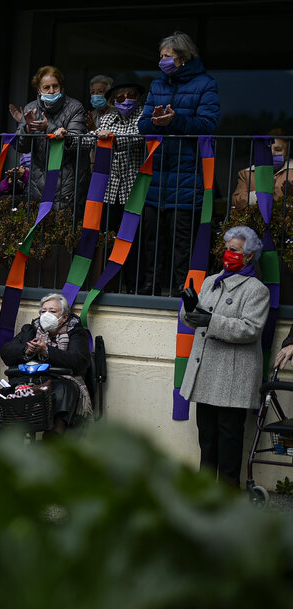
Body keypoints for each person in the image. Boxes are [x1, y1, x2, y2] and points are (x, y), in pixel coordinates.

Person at [180, 226, 269, 486]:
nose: (228, 254)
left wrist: (211, 320)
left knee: (229, 441)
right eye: (227, 248)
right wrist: (189, 307)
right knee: (206, 439)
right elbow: (195, 319)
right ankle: (205, 494)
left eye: (235, 250)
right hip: (206, 372)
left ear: (249, 255)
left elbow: (250, 329)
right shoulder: (211, 281)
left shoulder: (256, 289)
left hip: (232, 377)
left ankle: (228, 497)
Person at [137, 31, 220, 296]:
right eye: (161, 56)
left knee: (181, 240)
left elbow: (208, 124)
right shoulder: (157, 85)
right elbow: (142, 124)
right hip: (157, 174)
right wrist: (156, 122)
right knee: (151, 238)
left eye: (167, 57)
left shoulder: (205, 84)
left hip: (187, 175)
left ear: (182, 58)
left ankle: (180, 290)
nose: (163, 61)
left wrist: (175, 121)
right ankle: (150, 286)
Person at [0, 293, 92, 437]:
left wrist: (47, 351)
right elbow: (6, 352)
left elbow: (79, 362)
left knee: (63, 396)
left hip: (60, 381)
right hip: (27, 381)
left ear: (64, 317)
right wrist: (26, 350)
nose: (46, 315)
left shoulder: (76, 332)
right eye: (43, 311)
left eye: (52, 311)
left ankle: (52, 443)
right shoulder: (31, 330)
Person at [87, 74, 146, 292]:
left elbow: (135, 138)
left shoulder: (143, 117)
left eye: (130, 96)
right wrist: (67, 138)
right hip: (111, 191)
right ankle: (108, 285)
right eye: (120, 98)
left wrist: (109, 137)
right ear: (114, 101)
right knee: (109, 239)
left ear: (138, 98)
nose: (125, 100)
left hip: (134, 190)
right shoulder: (109, 118)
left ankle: (133, 286)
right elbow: (92, 136)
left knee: (134, 241)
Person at [15, 65, 88, 209]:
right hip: (36, 182)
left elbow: (77, 141)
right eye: (46, 87)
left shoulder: (75, 107)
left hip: (66, 180)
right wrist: (27, 129)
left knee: (61, 226)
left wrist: (50, 128)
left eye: (55, 86)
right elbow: (19, 147)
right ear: (38, 90)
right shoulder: (31, 108)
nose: (51, 91)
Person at [232, 130, 293, 209]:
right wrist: (260, 195)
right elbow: (235, 201)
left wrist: (291, 196)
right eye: (267, 149)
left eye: (278, 149)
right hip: (256, 220)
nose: (271, 153)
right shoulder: (247, 174)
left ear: (286, 154)